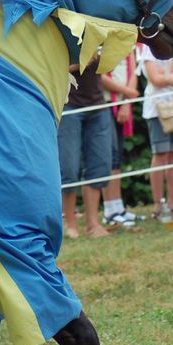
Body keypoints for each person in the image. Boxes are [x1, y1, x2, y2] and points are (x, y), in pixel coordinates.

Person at [59, 54, 114, 239]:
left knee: (101, 163)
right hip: (69, 105)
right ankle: (70, 223)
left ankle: (93, 224)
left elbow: (108, 65)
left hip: (98, 104)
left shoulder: (98, 29)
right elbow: (51, 67)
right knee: (68, 167)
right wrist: (81, 61)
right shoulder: (62, 28)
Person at [139, 43, 173, 219]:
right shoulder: (148, 49)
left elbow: (172, 74)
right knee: (160, 155)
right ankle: (158, 203)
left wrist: (168, 77)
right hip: (157, 109)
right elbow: (155, 79)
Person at [100, 50, 140, 228]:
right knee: (109, 156)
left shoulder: (127, 43)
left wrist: (126, 102)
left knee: (118, 157)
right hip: (105, 103)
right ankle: (109, 210)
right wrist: (128, 93)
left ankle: (118, 207)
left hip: (122, 103)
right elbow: (99, 75)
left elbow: (133, 72)